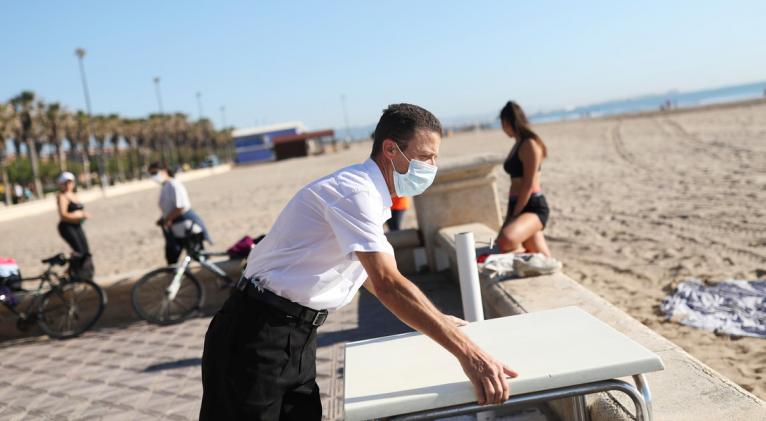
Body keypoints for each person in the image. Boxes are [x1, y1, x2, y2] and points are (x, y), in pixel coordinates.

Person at [200, 104, 518, 420]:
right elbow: (388, 283)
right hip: (255, 333)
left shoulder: (371, 196)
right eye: (425, 157)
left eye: (435, 157)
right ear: (390, 149)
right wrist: (469, 354)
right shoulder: (354, 193)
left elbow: (369, 276)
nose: (433, 166)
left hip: (294, 336)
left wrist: (438, 319)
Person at [496, 101, 551, 257]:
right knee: (541, 254)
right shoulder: (518, 143)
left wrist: (515, 214)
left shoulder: (530, 144)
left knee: (506, 241)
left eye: (502, 124)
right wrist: (512, 212)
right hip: (517, 203)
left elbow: (528, 184)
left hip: (532, 205)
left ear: (507, 122)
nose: (503, 129)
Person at [148, 162, 211, 265]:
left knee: (199, 259)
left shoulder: (174, 185)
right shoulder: (165, 187)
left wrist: (167, 219)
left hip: (187, 228)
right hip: (175, 230)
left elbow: (181, 206)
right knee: (171, 259)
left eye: (155, 173)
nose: (153, 176)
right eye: (151, 174)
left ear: (164, 171)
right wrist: (164, 219)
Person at [56, 171, 93, 278]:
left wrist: (83, 215)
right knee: (79, 251)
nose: (68, 185)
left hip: (77, 226)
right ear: (61, 184)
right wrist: (78, 216)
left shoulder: (74, 195)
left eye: (70, 182)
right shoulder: (62, 196)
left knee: (85, 251)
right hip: (67, 227)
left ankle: (82, 273)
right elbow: (63, 215)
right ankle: (71, 274)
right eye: (66, 183)